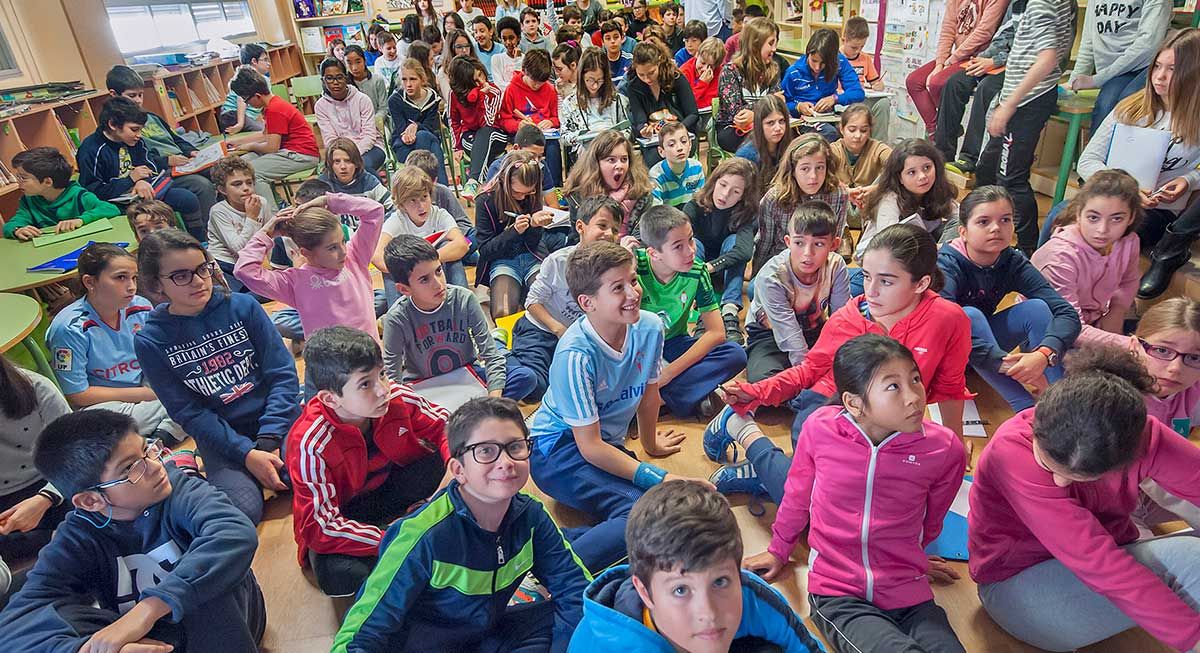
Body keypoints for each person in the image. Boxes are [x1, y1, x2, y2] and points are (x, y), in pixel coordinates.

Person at [726, 335, 967, 652]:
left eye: (915, 379)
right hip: (839, 593)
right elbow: (797, 496)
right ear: (853, 403)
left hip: (909, 591)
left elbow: (932, 519)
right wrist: (778, 550)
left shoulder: (944, 448)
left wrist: (912, 557)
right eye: (893, 387)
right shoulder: (820, 429)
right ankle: (744, 434)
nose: (914, 397)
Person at [969, 345, 1200, 652]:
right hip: (1016, 587)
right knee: (1190, 558)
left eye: (1082, 477)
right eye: (1049, 465)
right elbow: (1101, 565)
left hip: (1085, 574)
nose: (1060, 482)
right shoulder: (1011, 453)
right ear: (1038, 423)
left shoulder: (1138, 434)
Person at [332, 396, 590, 651]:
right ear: (458, 470)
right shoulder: (423, 535)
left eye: (515, 446)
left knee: (588, 609)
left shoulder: (531, 515)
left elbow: (575, 588)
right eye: (486, 451)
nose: (506, 462)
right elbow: (360, 635)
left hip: (488, 634)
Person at [1, 410, 266, 651]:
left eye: (147, 450)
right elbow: (15, 626)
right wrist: (84, 650)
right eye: (130, 468)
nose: (154, 466)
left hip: (232, 625)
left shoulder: (178, 488)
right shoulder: (78, 534)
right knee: (60, 619)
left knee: (203, 589)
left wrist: (148, 610)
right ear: (91, 501)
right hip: (154, 638)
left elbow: (233, 532)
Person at [527, 241, 709, 571]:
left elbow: (649, 392)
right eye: (618, 288)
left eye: (633, 281)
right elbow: (591, 447)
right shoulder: (575, 355)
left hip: (600, 443)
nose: (633, 293)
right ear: (587, 302)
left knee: (657, 508)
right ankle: (548, 573)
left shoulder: (650, 326)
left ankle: (553, 544)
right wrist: (661, 477)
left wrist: (651, 445)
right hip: (556, 452)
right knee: (645, 512)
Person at [713, 223, 970, 443]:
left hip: (895, 419)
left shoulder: (948, 319)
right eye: (867, 276)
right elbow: (809, 371)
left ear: (922, 283)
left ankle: (761, 467)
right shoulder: (849, 317)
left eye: (886, 281)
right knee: (819, 483)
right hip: (832, 403)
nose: (871, 291)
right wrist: (757, 392)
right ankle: (755, 445)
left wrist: (954, 446)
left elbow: (950, 388)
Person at [135, 229, 300, 523]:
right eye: (181, 276)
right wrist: (247, 454)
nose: (199, 281)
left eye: (202, 269)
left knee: (307, 478)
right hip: (223, 440)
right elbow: (188, 412)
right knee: (242, 512)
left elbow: (283, 375)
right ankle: (188, 466)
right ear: (156, 284)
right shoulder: (151, 340)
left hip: (277, 423)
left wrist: (268, 439)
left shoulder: (243, 306)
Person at [287, 326, 451, 598]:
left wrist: (454, 474)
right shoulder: (309, 443)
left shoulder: (397, 397)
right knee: (340, 575)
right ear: (330, 398)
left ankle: (420, 526)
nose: (383, 390)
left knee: (457, 458)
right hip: (347, 512)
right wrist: (395, 538)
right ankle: (416, 540)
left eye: (383, 375)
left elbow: (449, 428)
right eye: (365, 384)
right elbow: (321, 527)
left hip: (390, 486)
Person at [571, 480, 825, 651]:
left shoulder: (750, 594)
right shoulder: (608, 643)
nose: (709, 613)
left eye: (720, 582)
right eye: (681, 590)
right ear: (645, 592)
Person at [1073, 29, 1200, 299]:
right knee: (1061, 217)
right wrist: (1126, 189)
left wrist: (1189, 180)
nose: (1159, 77)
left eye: (1173, 69)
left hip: (1158, 212)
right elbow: (1088, 160)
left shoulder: (1195, 120)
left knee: (1115, 233)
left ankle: (1101, 304)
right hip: (1111, 198)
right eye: (1157, 66)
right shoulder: (1130, 108)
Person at [937, 185, 1081, 413]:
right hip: (944, 356)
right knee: (967, 316)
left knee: (1036, 308)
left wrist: (1044, 354)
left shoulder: (1012, 261)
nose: (996, 228)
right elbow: (941, 330)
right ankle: (1025, 409)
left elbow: (1066, 313)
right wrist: (1003, 363)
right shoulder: (946, 265)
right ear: (963, 231)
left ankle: (1057, 400)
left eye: (1005, 220)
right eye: (983, 222)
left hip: (982, 353)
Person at [45, 243, 185, 441]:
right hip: (107, 402)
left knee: (194, 385)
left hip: (146, 387)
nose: (132, 286)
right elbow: (78, 395)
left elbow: (160, 357)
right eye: (120, 277)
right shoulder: (69, 328)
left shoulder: (141, 307)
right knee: (102, 428)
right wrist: (147, 395)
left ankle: (156, 438)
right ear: (90, 282)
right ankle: (169, 429)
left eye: (134, 277)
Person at [382, 235, 537, 401]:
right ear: (404, 289)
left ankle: (475, 413)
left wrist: (493, 402)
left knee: (525, 377)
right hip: (425, 386)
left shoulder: (463, 299)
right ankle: (472, 416)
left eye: (438, 271)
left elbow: (492, 357)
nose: (438, 283)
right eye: (424, 279)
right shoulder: (397, 318)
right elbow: (392, 377)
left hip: (467, 374)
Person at [975, 0, 1076, 254]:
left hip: (1027, 101)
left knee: (1011, 178)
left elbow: (1048, 57)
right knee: (987, 167)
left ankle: (1029, 249)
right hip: (1018, 98)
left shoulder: (1043, 2)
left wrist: (1009, 104)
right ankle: (986, 231)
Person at [636, 205, 748, 418]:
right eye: (678, 246)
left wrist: (668, 374)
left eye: (690, 239)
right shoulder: (634, 266)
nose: (691, 250)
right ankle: (691, 395)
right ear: (654, 253)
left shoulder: (696, 270)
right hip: (639, 347)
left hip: (673, 342)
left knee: (735, 354)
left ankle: (656, 400)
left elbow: (716, 333)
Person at [235, 190, 385, 347]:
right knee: (277, 320)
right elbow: (244, 270)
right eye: (332, 248)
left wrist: (329, 201)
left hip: (369, 358)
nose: (343, 251)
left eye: (342, 241)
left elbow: (375, 211)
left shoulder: (355, 257)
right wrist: (266, 234)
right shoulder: (294, 281)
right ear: (306, 252)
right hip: (329, 366)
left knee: (382, 297)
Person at [513, 196, 621, 400]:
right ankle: (502, 351)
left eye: (615, 230)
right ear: (580, 227)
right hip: (541, 329)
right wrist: (558, 329)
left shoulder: (616, 269)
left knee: (590, 387)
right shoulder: (559, 261)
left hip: (578, 338)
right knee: (534, 387)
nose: (609, 234)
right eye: (602, 225)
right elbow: (532, 302)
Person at [1031, 169, 1141, 348]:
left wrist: (1117, 311)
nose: (1102, 229)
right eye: (1093, 218)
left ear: (1131, 217)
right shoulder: (1060, 256)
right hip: (1050, 331)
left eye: (1116, 219)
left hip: (1092, 321)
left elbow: (1129, 280)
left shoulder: (1129, 241)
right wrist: (1130, 346)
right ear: (1078, 213)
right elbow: (1069, 327)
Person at [744, 201, 851, 383]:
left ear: (834, 244)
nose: (807, 253)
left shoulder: (836, 265)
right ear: (788, 242)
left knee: (853, 366)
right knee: (763, 379)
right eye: (799, 242)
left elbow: (841, 319)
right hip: (769, 334)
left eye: (818, 244)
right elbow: (789, 335)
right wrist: (808, 375)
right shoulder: (772, 276)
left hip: (814, 330)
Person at [106, 65, 218, 231]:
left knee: (221, 170)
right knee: (201, 185)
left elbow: (176, 138)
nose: (137, 100)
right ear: (114, 95)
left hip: (184, 162)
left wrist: (191, 151)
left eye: (140, 95)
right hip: (165, 171)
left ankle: (231, 222)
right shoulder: (122, 128)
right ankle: (210, 234)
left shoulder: (151, 117)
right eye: (132, 95)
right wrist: (167, 161)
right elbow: (139, 159)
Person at [76, 98, 203, 240]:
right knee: (147, 219)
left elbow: (149, 165)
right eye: (134, 129)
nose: (139, 135)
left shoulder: (135, 140)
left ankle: (198, 242)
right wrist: (130, 180)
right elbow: (93, 191)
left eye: (141, 129)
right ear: (113, 124)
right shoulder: (91, 149)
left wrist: (141, 181)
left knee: (187, 198)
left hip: (144, 192)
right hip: (115, 203)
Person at [933, 0, 1023, 172]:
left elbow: (1033, 54)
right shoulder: (1018, 3)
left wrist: (994, 61)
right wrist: (982, 59)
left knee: (986, 88)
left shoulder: (1051, 6)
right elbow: (1002, 36)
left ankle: (969, 158)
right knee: (954, 83)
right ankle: (942, 154)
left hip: (1019, 68)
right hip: (998, 60)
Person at [0, 356, 72, 562]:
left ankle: (64, 536)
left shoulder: (36, 387)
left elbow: (78, 452)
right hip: (5, 500)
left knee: (102, 497)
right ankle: (59, 538)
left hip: (54, 481)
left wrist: (45, 499)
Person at [476, 151, 563, 319]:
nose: (522, 197)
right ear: (504, 181)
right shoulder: (485, 201)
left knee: (548, 305)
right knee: (503, 313)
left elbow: (535, 242)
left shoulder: (531, 195)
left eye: (528, 192)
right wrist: (514, 232)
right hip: (502, 259)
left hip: (532, 255)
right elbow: (486, 250)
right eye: (517, 192)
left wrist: (535, 226)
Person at [682, 157, 758, 345]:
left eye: (735, 191)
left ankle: (729, 311)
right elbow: (678, 241)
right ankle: (703, 311)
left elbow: (744, 252)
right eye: (723, 185)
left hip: (724, 270)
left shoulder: (746, 213)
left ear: (743, 196)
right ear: (714, 181)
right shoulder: (694, 206)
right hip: (696, 268)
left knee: (734, 242)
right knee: (692, 242)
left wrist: (710, 267)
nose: (725, 194)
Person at [905, 0, 1008, 136]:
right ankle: (936, 130)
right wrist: (940, 64)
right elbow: (947, 30)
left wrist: (950, 62)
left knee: (937, 83)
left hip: (979, 57)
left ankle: (943, 130)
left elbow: (984, 33)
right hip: (956, 56)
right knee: (914, 81)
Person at [752, 134, 848, 276]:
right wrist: (758, 275)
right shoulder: (773, 198)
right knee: (756, 288)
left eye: (820, 167)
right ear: (793, 170)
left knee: (858, 279)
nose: (813, 176)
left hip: (820, 265)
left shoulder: (839, 194)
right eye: (805, 169)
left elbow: (833, 242)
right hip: (784, 264)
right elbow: (764, 243)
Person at [1068, 0, 1171, 126]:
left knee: (1126, 104)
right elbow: (1089, 39)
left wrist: (1096, 79)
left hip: (1145, 65)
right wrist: (1074, 79)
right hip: (1112, 73)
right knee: (1106, 104)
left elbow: (1148, 45)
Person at [229, 66, 321, 203]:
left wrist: (251, 146)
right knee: (243, 163)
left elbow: (272, 147)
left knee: (252, 172)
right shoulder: (271, 105)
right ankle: (278, 202)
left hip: (302, 155)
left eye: (246, 100)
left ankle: (271, 213)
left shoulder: (275, 110)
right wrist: (238, 143)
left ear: (257, 96)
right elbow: (264, 135)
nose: (247, 105)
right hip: (292, 152)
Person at [855, 139, 958, 262]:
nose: (922, 176)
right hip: (888, 257)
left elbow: (962, 216)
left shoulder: (939, 191)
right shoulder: (890, 200)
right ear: (900, 178)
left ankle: (943, 264)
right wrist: (941, 248)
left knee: (962, 221)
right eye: (912, 172)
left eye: (927, 168)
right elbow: (889, 245)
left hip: (923, 251)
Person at [375, 165, 470, 290]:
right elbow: (377, 257)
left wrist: (426, 261)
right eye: (412, 201)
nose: (421, 206)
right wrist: (411, 268)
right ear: (401, 204)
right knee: (391, 262)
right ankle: (397, 307)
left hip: (435, 272)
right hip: (411, 277)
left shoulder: (439, 215)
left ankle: (460, 302)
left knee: (450, 249)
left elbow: (461, 244)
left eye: (424, 197)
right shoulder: (397, 220)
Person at [3, 146, 121, 241]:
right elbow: (11, 224)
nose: (18, 182)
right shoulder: (28, 201)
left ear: (47, 181)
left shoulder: (78, 196)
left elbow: (111, 209)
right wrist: (17, 229)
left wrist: (80, 220)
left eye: (23, 178)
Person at [563, 130, 657, 242]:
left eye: (624, 159)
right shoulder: (578, 195)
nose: (619, 166)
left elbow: (643, 240)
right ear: (596, 163)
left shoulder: (642, 193)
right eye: (611, 160)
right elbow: (576, 239)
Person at [206, 155, 274, 294]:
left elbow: (271, 236)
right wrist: (252, 217)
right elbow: (239, 249)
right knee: (231, 298)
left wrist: (273, 268)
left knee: (271, 289)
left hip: (250, 264)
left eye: (249, 182)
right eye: (237, 184)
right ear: (222, 190)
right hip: (224, 264)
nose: (246, 188)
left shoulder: (262, 203)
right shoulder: (218, 211)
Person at [782, 28, 865, 142]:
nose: (817, 67)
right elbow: (781, 104)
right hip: (804, 120)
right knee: (830, 134)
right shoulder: (793, 72)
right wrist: (798, 107)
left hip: (831, 116)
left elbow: (858, 93)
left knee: (857, 129)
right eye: (814, 60)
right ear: (808, 54)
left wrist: (835, 99)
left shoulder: (839, 62)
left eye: (823, 63)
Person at [715, 19, 782, 153]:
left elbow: (778, 104)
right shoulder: (730, 70)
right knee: (762, 140)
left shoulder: (773, 68)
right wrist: (768, 103)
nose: (774, 49)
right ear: (755, 45)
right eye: (770, 43)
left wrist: (754, 113)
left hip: (766, 125)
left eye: (775, 43)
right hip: (732, 128)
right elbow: (738, 114)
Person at [499, 49, 564, 188]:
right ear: (524, 71)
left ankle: (554, 187)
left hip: (545, 135)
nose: (536, 86)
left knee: (553, 148)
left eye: (541, 82)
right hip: (521, 136)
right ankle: (527, 185)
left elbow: (557, 118)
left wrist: (551, 121)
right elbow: (504, 119)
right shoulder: (512, 89)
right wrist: (518, 125)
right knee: (526, 151)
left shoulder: (550, 89)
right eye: (533, 81)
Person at [627, 43, 700, 166]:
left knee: (676, 154)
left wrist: (677, 130)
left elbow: (693, 114)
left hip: (681, 135)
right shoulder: (634, 87)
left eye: (651, 72)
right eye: (641, 75)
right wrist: (643, 130)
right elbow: (639, 120)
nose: (647, 79)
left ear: (659, 63)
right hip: (654, 142)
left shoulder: (676, 78)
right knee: (654, 158)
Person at [315, 57, 386, 174]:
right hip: (339, 153)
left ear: (346, 78)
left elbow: (369, 136)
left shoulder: (362, 100)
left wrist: (351, 155)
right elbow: (330, 140)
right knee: (327, 176)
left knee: (360, 168)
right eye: (329, 78)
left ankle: (375, 191)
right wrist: (342, 156)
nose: (335, 82)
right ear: (323, 81)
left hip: (371, 148)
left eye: (339, 77)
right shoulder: (320, 106)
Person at [447, 55, 506, 193]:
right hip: (471, 135)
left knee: (485, 134)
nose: (481, 81)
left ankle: (473, 181)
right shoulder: (454, 95)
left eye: (480, 74)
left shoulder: (494, 91)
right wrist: (457, 147)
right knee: (478, 146)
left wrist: (481, 97)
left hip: (495, 134)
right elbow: (453, 120)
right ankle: (488, 188)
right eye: (475, 80)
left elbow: (488, 122)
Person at [317, 138, 398, 233]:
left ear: (356, 163)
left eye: (348, 161)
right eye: (337, 161)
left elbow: (394, 208)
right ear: (331, 165)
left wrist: (380, 225)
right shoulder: (324, 183)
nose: (343, 167)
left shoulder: (369, 182)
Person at [559, 47, 629, 157]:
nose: (595, 85)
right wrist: (583, 135)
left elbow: (627, 129)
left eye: (600, 80)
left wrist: (614, 136)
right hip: (586, 152)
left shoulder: (617, 99)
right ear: (581, 76)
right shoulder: (570, 103)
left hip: (613, 147)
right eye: (590, 80)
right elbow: (564, 137)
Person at [388, 59, 448, 184]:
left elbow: (430, 126)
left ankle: (423, 187)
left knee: (424, 136)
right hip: (404, 145)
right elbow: (401, 129)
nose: (408, 84)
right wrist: (409, 132)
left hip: (428, 138)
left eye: (413, 79)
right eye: (404, 79)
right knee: (431, 145)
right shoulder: (395, 100)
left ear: (422, 79)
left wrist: (416, 126)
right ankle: (441, 191)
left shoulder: (432, 98)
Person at [829, 103, 893, 215]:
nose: (858, 136)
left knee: (893, 172)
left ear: (870, 130)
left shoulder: (878, 148)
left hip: (870, 206)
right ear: (842, 129)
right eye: (852, 130)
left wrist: (877, 188)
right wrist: (844, 189)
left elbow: (899, 163)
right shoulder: (833, 150)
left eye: (863, 130)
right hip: (840, 205)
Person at [841, 16, 891, 141]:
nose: (857, 51)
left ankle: (879, 146)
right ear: (844, 40)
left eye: (862, 47)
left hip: (863, 99)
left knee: (883, 103)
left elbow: (875, 82)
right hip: (844, 100)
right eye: (854, 47)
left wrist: (878, 86)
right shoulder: (835, 58)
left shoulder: (866, 58)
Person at [485, 123, 558, 205]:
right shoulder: (498, 168)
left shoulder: (541, 165)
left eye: (540, 156)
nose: (536, 161)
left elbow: (553, 203)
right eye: (531, 155)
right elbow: (494, 206)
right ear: (516, 148)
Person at [734, 95, 794, 194]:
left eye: (782, 121)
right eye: (771, 123)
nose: (778, 128)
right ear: (759, 125)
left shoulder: (789, 148)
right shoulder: (747, 156)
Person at [648, 122, 703, 208]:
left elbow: (700, 202)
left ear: (690, 145)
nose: (680, 148)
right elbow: (656, 212)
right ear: (661, 151)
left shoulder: (697, 167)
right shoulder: (656, 176)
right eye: (671, 145)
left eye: (684, 141)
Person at [221, 43, 271, 133]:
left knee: (267, 128)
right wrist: (240, 124)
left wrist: (262, 122)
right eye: (265, 60)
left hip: (245, 117)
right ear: (254, 61)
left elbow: (258, 106)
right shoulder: (248, 78)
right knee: (267, 131)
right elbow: (241, 101)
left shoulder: (263, 79)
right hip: (233, 115)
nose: (269, 63)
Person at [679, 37, 725, 113]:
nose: (704, 69)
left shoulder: (719, 72)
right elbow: (686, 103)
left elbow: (711, 102)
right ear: (697, 55)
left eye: (710, 66)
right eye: (702, 63)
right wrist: (702, 83)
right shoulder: (684, 71)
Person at [345, 45, 389, 119]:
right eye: (349, 63)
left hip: (376, 122)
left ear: (365, 61)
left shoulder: (377, 80)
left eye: (358, 62)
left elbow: (383, 108)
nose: (354, 68)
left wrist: (371, 123)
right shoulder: (344, 84)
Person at [491, 17, 526, 91]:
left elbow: (525, 84)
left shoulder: (525, 59)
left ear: (518, 38)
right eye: (504, 39)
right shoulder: (496, 59)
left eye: (511, 38)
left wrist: (518, 60)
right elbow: (499, 85)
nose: (508, 42)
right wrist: (517, 86)